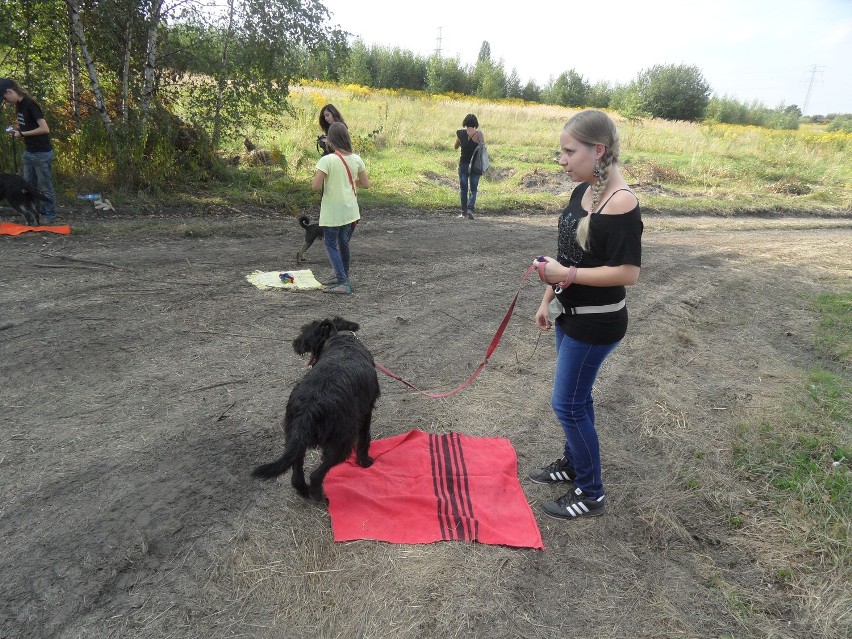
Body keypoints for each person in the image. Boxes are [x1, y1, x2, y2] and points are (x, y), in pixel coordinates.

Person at [529, 109, 643, 521]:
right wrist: (548, 296)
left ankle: (591, 492)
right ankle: (574, 464)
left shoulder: (621, 202)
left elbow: (629, 273)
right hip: (570, 314)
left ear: (598, 151)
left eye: (568, 151)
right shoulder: (583, 190)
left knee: (568, 404)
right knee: (577, 399)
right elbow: (567, 252)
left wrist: (568, 275)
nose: (561, 159)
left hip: (598, 322)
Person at [311, 121, 369, 295]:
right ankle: (343, 275)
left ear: (331, 140)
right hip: (350, 210)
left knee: (330, 244)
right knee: (343, 243)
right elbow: (365, 184)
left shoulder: (327, 160)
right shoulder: (356, 159)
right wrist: (349, 180)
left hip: (333, 211)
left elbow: (315, 186)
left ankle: (343, 282)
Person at [0, 78, 57, 223]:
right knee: (27, 187)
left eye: (5, 98)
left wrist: (23, 134)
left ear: (10, 91)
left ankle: (49, 215)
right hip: (29, 152)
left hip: (41, 152)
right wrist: (17, 130)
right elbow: (29, 126)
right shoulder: (19, 106)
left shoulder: (30, 104)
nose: (6, 101)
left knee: (44, 186)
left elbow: (44, 129)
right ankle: (34, 213)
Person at [453, 113, 483, 219]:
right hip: (476, 165)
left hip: (464, 164)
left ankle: (463, 212)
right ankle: (470, 208)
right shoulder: (479, 134)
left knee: (463, 189)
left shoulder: (460, 133)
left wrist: (462, 142)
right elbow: (483, 148)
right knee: (474, 189)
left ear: (465, 122)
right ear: (475, 123)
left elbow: (456, 147)